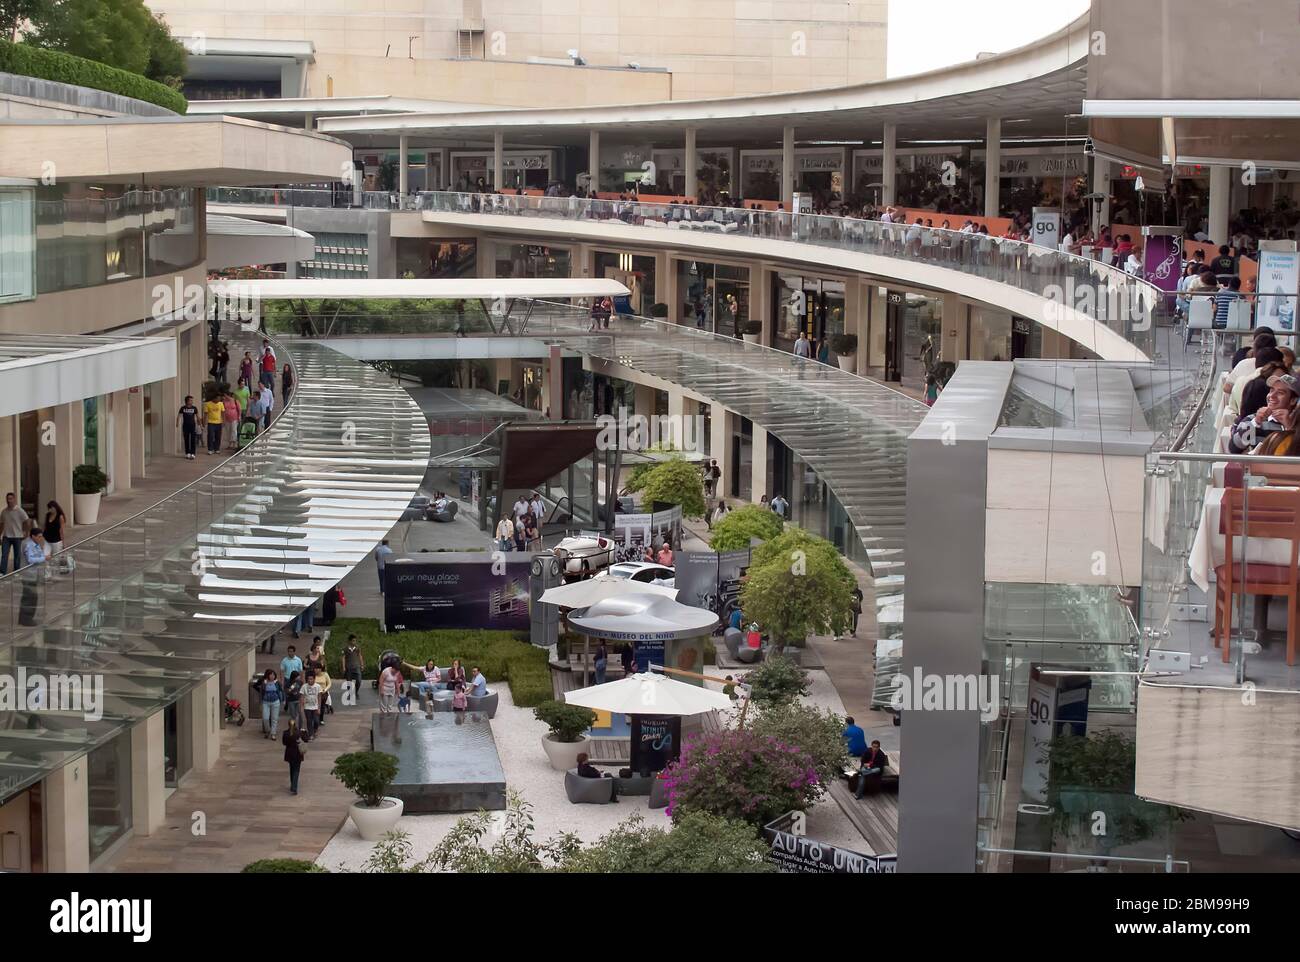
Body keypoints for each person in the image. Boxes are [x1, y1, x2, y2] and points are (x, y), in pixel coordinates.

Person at [17, 525, 45, 626]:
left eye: (41, 536)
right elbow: (31, 560)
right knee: (29, 597)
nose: (40, 538)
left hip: (34, 574)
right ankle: (26, 618)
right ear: (33, 536)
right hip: (28, 575)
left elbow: (40, 554)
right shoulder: (28, 544)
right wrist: (44, 558)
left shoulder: (35, 544)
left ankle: (26, 618)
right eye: (39, 536)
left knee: (33, 597)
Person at [0, 492, 28, 575]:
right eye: (8, 499)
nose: (9, 501)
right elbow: (1, 524)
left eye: (11, 499)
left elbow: (26, 521)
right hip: (6, 536)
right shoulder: (4, 512)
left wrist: (25, 532)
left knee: (17, 556)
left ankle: (16, 572)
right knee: (4, 555)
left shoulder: (20, 511)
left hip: (17, 536)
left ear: (14, 499)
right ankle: (2, 572)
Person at [282, 718, 305, 796]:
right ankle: (294, 787)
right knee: (296, 770)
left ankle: (292, 784)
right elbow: (306, 739)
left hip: (289, 753)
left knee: (292, 769)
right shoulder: (299, 733)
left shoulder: (285, 733)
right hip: (298, 754)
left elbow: (284, 743)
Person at [42, 500, 67, 570]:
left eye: (51, 508)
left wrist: (63, 543)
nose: (50, 510)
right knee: (45, 556)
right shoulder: (47, 515)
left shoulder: (60, 517)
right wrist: (42, 539)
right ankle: (47, 573)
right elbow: (44, 527)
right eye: (49, 508)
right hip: (47, 540)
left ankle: (56, 573)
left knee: (56, 559)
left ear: (55, 507)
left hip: (56, 541)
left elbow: (61, 530)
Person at [260, 669, 283, 738]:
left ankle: (273, 733)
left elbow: (281, 691)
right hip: (266, 702)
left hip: (275, 702)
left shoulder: (277, 682)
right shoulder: (264, 683)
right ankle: (268, 730)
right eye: (271, 674)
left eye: (273, 674)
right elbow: (261, 693)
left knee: (274, 718)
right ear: (267, 675)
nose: (272, 676)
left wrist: (282, 700)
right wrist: (260, 702)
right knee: (265, 718)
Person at [341, 635, 365, 703]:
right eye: (353, 640)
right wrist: (343, 667)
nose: (354, 642)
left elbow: (360, 656)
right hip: (349, 667)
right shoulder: (345, 649)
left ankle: (356, 692)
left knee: (359, 680)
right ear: (349, 641)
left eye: (355, 640)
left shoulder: (357, 648)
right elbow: (343, 658)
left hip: (356, 667)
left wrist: (362, 664)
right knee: (349, 682)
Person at [176, 395, 200, 460]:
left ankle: (193, 453)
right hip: (185, 426)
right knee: (186, 440)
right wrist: (177, 423)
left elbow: (197, 416)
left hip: (192, 426)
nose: (192, 401)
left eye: (192, 400)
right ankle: (187, 453)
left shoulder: (194, 408)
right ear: (187, 401)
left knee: (193, 440)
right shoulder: (183, 408)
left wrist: (199, 424)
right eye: (191, 400)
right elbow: (179, 416)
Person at [301, 671, 323, 740]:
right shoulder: (304, 686)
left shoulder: (318, 686)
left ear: (314, 679)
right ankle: (310, 734)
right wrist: (302, 706)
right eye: (308, 679)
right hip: (307, 707)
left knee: (316, 721)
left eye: (311, 679)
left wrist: (319, 707)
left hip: (315, 707)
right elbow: (302, 696)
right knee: (309, 721)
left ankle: (315, 729)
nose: (310, 680)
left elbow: (319, 697)